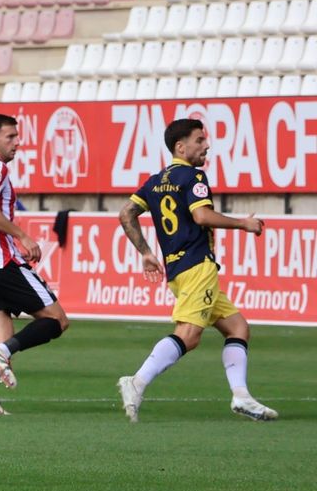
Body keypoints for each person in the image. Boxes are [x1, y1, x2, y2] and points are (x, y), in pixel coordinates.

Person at [117, 119, 277, 423]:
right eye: (200, 140)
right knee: (189, 336)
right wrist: (243, 224)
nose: (206, 146)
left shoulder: (155, 181)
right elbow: (201, 216)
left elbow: (126, 213)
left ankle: (241, 396)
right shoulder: (193, 176)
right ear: (181, 146)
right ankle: (136, 381)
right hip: (196, 264)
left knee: (238, 328)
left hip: (179, 271)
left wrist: (147, 253)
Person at [0, 114, 69, 415]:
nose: (17, 142)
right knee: (56, 320)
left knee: (2, 335)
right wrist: (21, 235)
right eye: (10, 137)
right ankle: (2, 353)